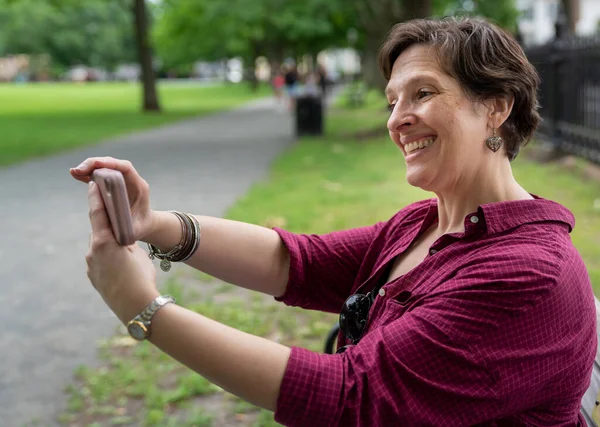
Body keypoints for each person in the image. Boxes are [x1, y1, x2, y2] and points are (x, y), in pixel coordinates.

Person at [70, 17, 596, 426]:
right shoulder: (427, 223)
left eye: (423, 93)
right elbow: (298, 262)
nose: (396, 119)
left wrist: (144, 309)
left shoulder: (530, 275)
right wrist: (156, 224)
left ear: (496, 107)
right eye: (393, 101)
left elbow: (352, 399)